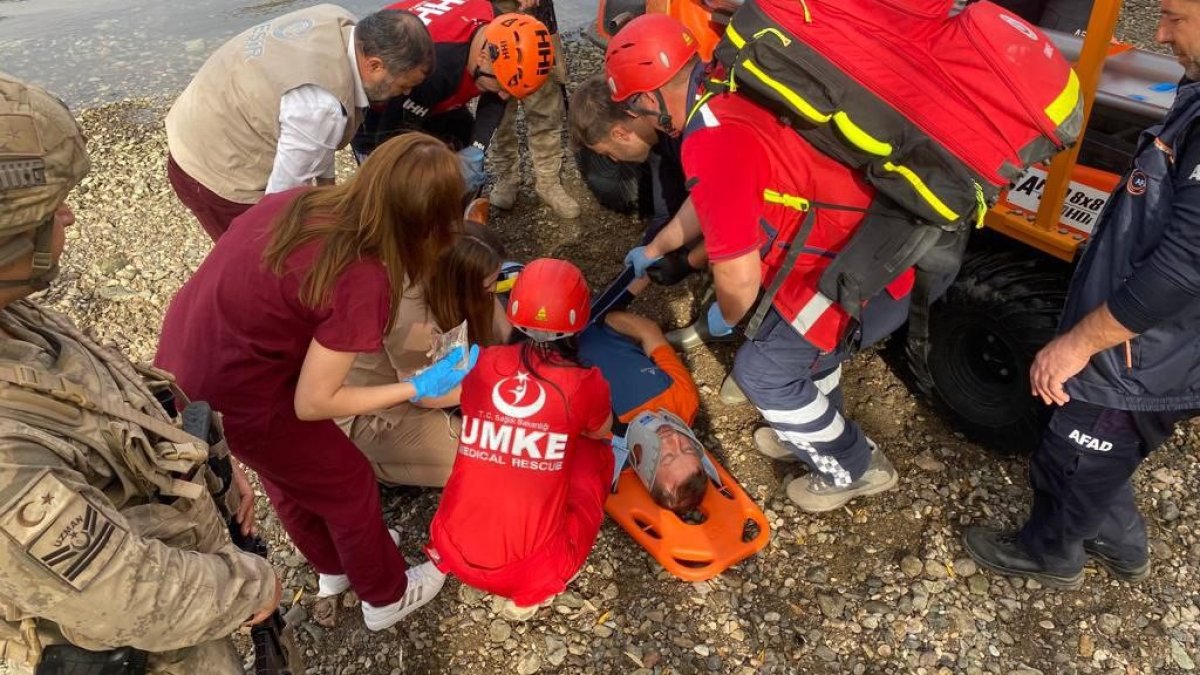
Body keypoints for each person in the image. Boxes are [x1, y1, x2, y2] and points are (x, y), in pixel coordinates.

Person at [0, 73, 280, 673]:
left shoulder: (15, 316)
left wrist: (216, 472)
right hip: (155, 649)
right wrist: (252, 588)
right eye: (48, 211)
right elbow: (123, 598)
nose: (69, 219)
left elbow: (113, 395)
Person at [155, 133, 475, 631]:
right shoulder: (363, 276)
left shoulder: (301, 199)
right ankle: (385, 596)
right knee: (345, 481)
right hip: (239, 387)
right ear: (426, 224)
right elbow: (314, 402)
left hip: (187, 353)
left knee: (288, 471)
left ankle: (334, 566)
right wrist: (418, 387)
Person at [605, 14, 906, 513]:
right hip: (860, 240)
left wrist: (727, 315)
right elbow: (710, 198)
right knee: (802, 355)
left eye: (634, 103)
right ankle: (810, 429)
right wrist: (658, 249)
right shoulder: (725, 88)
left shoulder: (709, 139)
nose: (637, 116)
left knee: (762, 370)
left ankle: (852, 467)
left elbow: (739, 279)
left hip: (851, 270)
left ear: (650, 97)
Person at [963, 0, 1200, 589]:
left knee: (1075, 453)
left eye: (1176, 18)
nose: (1159, 32)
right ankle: (1122, 543)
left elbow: (1181, 268)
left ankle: (1051, 552)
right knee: (1115, 447)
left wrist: (1075, 345)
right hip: (1160, 348)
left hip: (1139, 351)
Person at [425, 258, 614, 621]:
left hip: (450, 543)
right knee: (595, 452)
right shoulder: (583, 384)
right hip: (524, 570)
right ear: (579, 320)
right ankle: (533, 594)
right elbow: (600, 428)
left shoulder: (482, 364)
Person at [166, 4, 435, 241]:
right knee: (255, 253)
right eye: (404, 85)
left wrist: (327, 191)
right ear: (375, 65)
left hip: (203, 109)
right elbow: (278, 203)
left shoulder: (337, 20)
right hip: (208, 169)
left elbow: (321, 138)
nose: (406, 94)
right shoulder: (321, 107)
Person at [339, 223, 512, 487]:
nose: (493, 293)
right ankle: (373, 466)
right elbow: (419, 393)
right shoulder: (415, 322)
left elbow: (494, 313)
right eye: (487, 286)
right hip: (378, 411)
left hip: (417, 380)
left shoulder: (442, 272)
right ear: (457, 284)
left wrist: (515, 349)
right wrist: (495, 390)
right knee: (488, 458)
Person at [352, 0, 555, 197]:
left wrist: (477, 149)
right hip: (381, 104)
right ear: (483, 57)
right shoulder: (433, 68)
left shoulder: (502, 29)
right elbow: (389, 138)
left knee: (466, 148)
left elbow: (495, 99)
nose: (503, 96)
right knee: (393, 189)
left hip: (433, 90)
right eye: (502, 87)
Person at [579, 311, 708, 514]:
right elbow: (649, 332)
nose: (674, 438)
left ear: (646, 471)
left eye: (667, 457)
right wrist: (605, 316)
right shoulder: (685, 400)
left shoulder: (603, 454)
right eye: (687, 449)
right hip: (591, 315)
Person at [488, 0, 582, 219]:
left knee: (546, 111)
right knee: (497, 115)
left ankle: (548, 182)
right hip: (492, 24)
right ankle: (507, 178)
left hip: (536, 25)